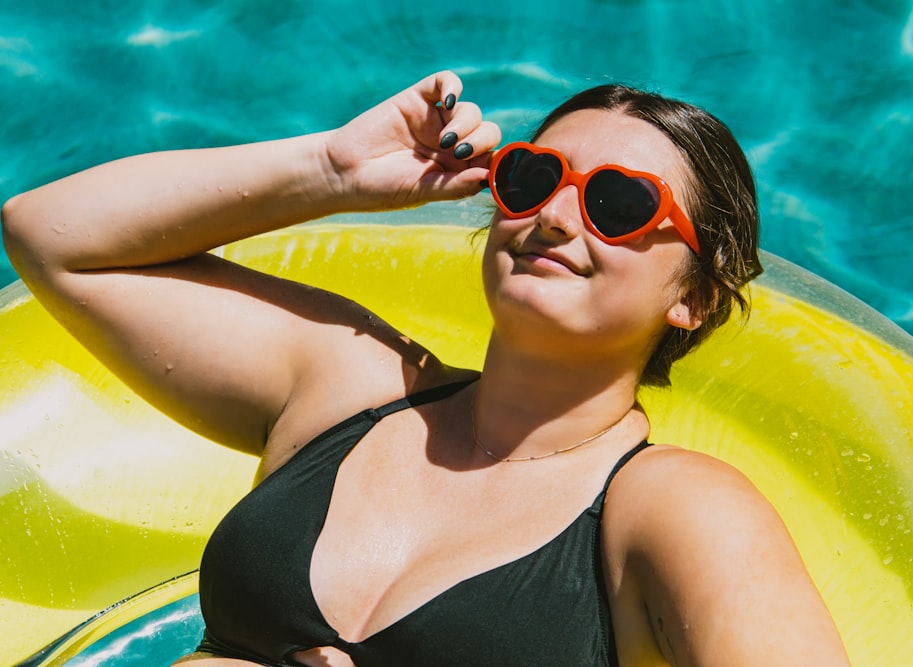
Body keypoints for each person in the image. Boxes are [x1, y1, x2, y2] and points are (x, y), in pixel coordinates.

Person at [2, 71, 851, 667]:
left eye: (618, 203)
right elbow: (56, 240)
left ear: (693, 299)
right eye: (530, 177)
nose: (554, 216)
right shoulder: (351, 382)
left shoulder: (673, 509)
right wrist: (330, 170)